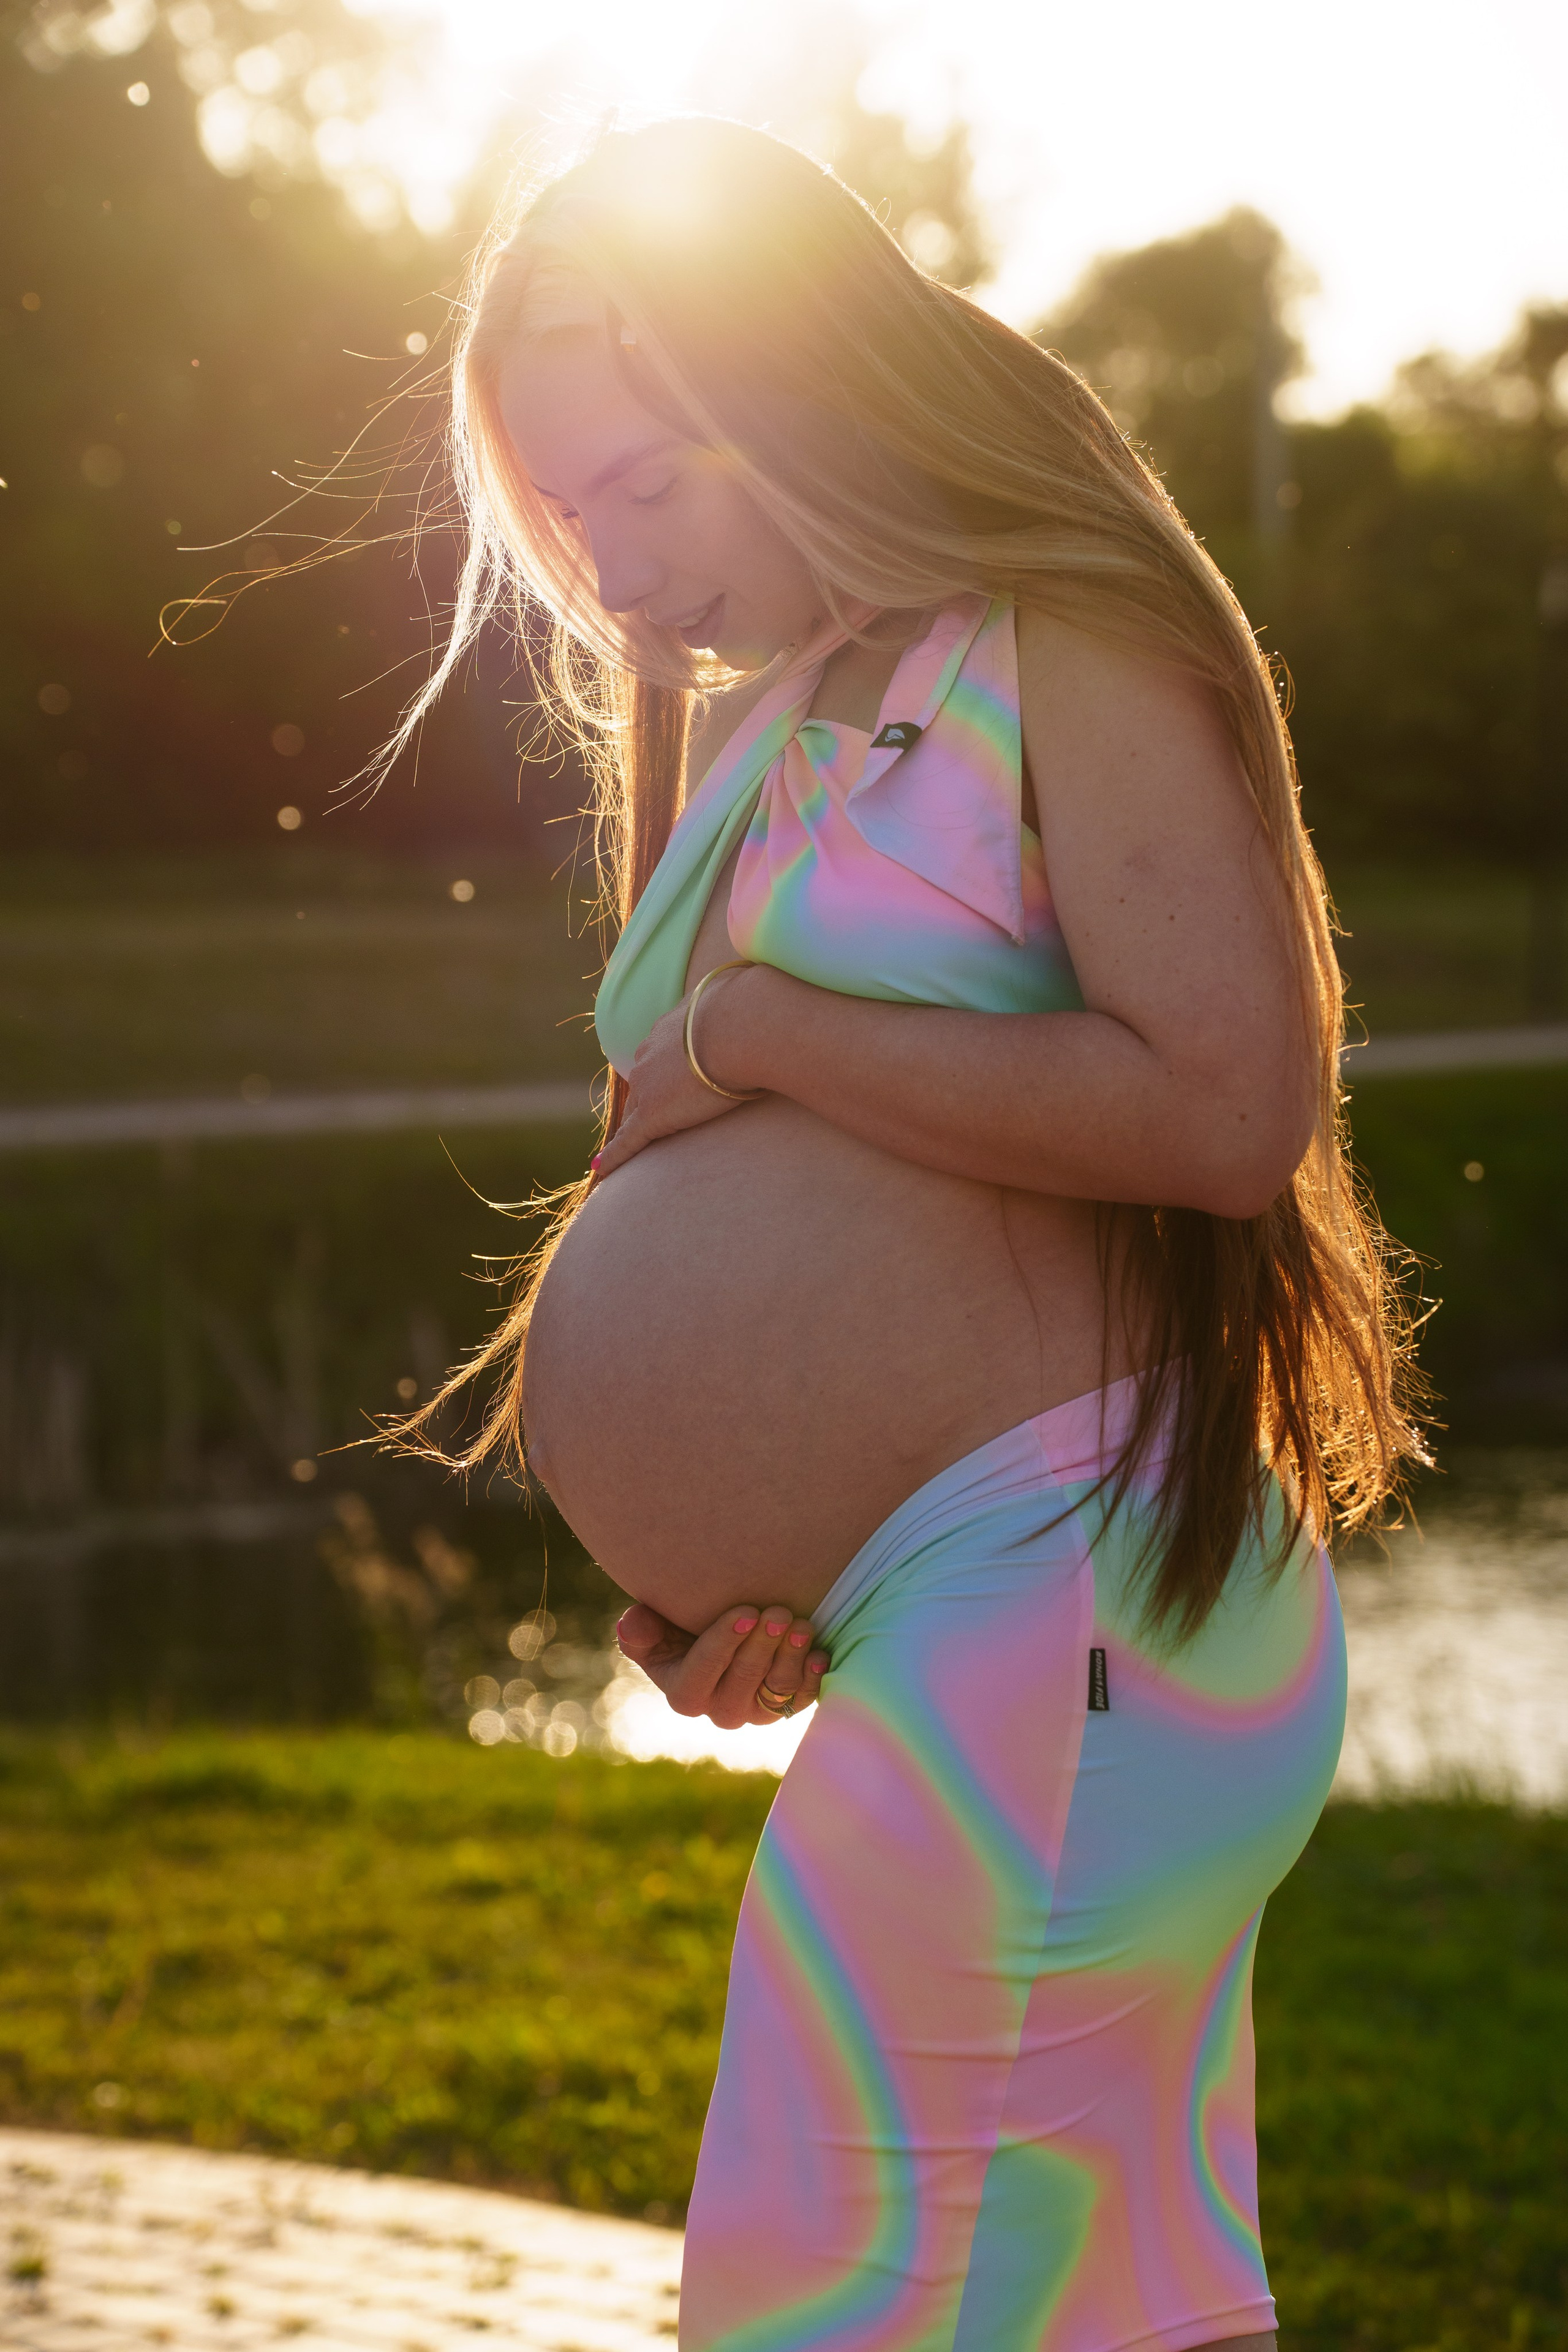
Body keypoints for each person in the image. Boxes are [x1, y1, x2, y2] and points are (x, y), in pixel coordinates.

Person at [392, 117, 1423, 2352]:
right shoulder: (773, 718)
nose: (620, 567)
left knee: (828, 2303)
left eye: (650, 481)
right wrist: (706, 1599)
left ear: (803, 378)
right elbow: (696, 1160)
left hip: (1073, 1614)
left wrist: (768, 1033)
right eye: (576, 516)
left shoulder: (1062, 634)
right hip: (962, 1631)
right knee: (1109, 2297)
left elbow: (1228, 1113)